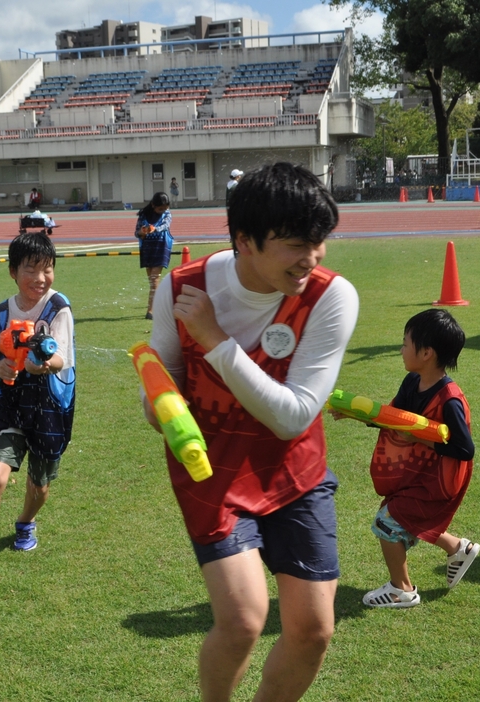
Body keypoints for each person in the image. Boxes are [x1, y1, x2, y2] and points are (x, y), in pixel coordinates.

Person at [142, 162, 358, 700]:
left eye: (319, 240)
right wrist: (160, 405)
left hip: (294, 472)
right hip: (211, 475)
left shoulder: (331, 297)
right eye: (293, 244)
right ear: (244, 241)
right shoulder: (182, 289)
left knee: (313, 631)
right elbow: (160, 379)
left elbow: (292, 416)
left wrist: (214, 340)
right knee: (243, 619)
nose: (310, 258)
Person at [333, 309, 478, 608]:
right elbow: (395, 417)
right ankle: (458, 548)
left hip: (439, 480)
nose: (401, 349)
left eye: (405, 343)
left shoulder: (450, 400)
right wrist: (354, 414)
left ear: (426, 353)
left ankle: (402, 590)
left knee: (388, 522)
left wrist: (423, 437)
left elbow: (465, 449)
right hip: (419, 473)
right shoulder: (412, 383)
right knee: (403, 516)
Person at [0, 231, 75, 588]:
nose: (40, 278)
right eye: (31, 270)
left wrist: (41, 363)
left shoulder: (58, 308)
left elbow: (60, 357)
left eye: (48, 269)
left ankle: (25, 520)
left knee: (39, 487)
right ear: (12, 272)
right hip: (9, 403)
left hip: (51, 406)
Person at [134, 191, 173, 320]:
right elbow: (136, 232)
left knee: (155, 278)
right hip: (147, 246)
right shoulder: (144, 215)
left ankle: (151, 310)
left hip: (161, 245)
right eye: (160, 208)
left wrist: (154, 229)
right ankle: (161, 305)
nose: (163, 211)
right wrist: (141, 232)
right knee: (152, 280)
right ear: (153, 205)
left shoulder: (167, 214)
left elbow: (165, 226)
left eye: (165, 208)